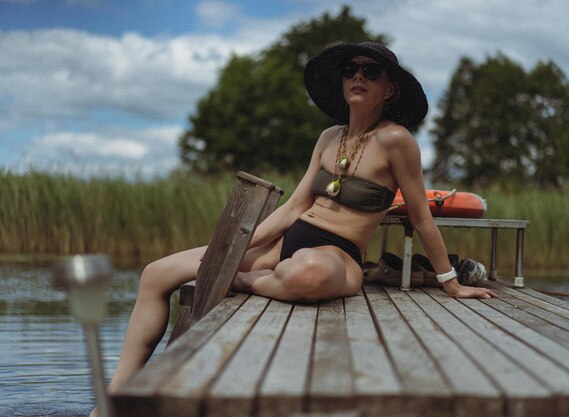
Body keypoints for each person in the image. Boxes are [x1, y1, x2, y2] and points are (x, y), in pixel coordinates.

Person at [90, 41, 496, 417]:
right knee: (156, 273)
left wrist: (450, 283)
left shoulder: (397, 140)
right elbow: (295, 206)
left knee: (307, 275)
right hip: (289, 240)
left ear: (389, 89)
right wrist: (233, 247)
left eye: (372, 72)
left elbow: (421, 216)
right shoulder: (329, 137)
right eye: (352, 69)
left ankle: (245, 282)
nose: (359, 76)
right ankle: (114, 399)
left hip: (336, 255)